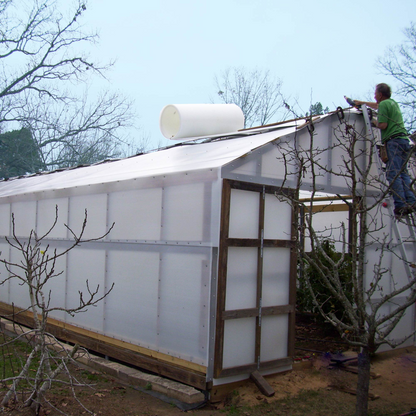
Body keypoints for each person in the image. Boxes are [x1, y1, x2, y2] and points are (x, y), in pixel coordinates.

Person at [352, 83, 416, 218]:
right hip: (404, 141)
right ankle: (411, 201)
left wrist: (373, 121)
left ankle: (400, 205)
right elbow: (377, 106)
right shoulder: (392, 103)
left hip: (394, 142)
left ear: (380, 95)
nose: (374, 96)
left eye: (375, 94)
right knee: (403, 173)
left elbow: (383, 125)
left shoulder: (383, 105)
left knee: (393, 174)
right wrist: (362, 103)